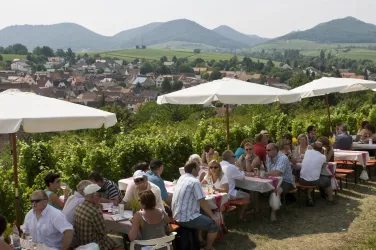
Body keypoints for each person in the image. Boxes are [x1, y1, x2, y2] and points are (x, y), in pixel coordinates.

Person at [172, 161, 221, 250]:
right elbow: (202, 201)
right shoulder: (194, 181)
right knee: (214, 224)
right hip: (185, 218)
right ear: (193, 169)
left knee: (202, 212)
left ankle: (199, 239)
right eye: (198, 167)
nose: (199, 169)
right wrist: (213, 216)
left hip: (176, 215)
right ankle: (208, 247)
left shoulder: (181, 178)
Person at [74, 184, 118, 250]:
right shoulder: (95, 212)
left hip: (81, 244)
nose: (101, 198)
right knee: (120, 241)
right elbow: (104, 232)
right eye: (99, 195)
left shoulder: (78, 207)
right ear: (92, 196)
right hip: (95, 245)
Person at [265, 143, 295, 221]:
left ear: (275, 150)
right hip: (272, 179)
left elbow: (277, 173)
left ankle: (273, 212)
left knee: (276, 190)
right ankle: (257, 209)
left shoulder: (283, 158)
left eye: (268, 150)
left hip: (285, 180)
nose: (266, 151)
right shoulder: (268, 157)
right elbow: (270, 172)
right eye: (266, 150)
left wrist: (265, 174)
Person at [220, 150, 250, 221]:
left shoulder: (219, 164)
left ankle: (237, 210)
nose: (235, 158)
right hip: (228, 193)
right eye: (234, 156)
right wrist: (240, 167)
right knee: (247, 196)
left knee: (239, 191)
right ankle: (241, 216)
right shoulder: (230, 167)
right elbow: (242, 177)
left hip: (220, 192)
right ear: (230, 158)